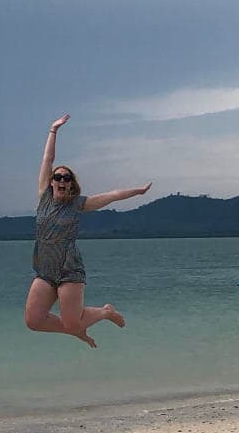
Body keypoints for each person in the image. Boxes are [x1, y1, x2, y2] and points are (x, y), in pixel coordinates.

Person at [25, 113, 150, 346]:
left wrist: (137, 191)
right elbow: (47, 159)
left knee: (73, 322)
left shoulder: (78, 204)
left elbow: (112, 196)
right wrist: (53, 130)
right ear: (51, 181)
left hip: (69, 270)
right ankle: (77, 330)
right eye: (58, 177)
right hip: (44, 270)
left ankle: (105, 312)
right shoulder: (44, 197)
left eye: (67, 178)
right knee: (33, 320)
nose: (62, 179)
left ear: (71, 184)